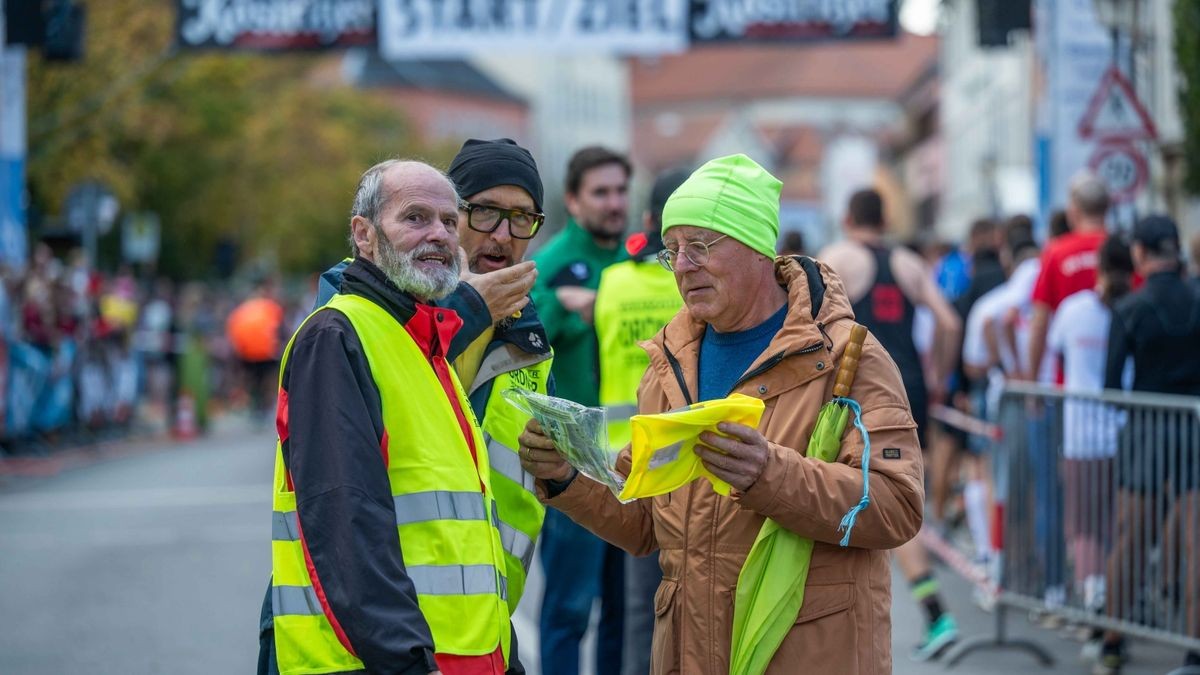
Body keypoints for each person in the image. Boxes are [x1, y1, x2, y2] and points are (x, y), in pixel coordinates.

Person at [520, 154, 924, 673]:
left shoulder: (847, 357)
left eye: (700, 246)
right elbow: (645, 520)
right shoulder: (671, 361)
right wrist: (566, 479)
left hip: (808, 654)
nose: (683, 266)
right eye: (672, 251)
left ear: (757, 246)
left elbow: (895, 506)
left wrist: (771, 474)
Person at [261, 160, 521, 675]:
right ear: (364, 234)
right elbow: (347, 524)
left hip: (464, 657)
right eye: (416, 218)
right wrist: (407, 663)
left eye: (450, 222)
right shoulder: (338, 336)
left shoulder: (424, 341)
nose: (439, 235)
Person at [819, 188, 962, 661]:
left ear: (847, 217)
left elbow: (809, 318)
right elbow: (949, 323)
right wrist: (938, 376)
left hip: (861, 390)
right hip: (909, 386)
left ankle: (933, 612)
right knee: (895, 493)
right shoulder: (909, 263)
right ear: (884, 219)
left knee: (872, 497)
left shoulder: (837, 257)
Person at [529, 145, 631, 674]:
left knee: (626, 607)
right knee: (570, 607)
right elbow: (522, 339)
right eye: (601, 192)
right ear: (573, 200)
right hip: (574, 460)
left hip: (635, 459)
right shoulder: (546, 266)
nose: (614, 203)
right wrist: (568, 309)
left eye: (620, 190)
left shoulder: (638, 263)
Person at [593, 168, 688, 675]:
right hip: (686, 462)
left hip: (622, 458)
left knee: (635, 608)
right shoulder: (691, 285)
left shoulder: (612, 282)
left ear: (648, 217)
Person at [1098, 215, 1200, 674]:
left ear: (1139, 253)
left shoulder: (1131, 307)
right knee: (1196, 542)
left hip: (1144, 428)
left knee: (1129, 538)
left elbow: (1109, 384)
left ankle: (1113, 642)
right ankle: (1194, 651)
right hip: (1195, 424)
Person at [1044, 235, 1133, 661]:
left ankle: (1094, 600)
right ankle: (1113, 608)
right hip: (1125, 432)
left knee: (1083, 528)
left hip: (1080, 434)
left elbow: (1055, 352)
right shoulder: (1131, 307)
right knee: (1117, 527)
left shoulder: (1075, 309)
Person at [1026, 173, 1110, 385]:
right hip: (1119, 382)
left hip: (1070, 381)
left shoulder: (1056, 254)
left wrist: (1033, 380)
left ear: (1073, 212)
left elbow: (1039, 321)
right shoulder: (1121, 250)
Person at [225, 278, 285, 423]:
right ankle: (261, 407)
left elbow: (233, 329)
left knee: (254, 381)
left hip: (249, 352)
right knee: (265, 380)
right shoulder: (270, 307)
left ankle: (256, 407)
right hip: (265, 351)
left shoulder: (242, 310)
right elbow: (279, 328)